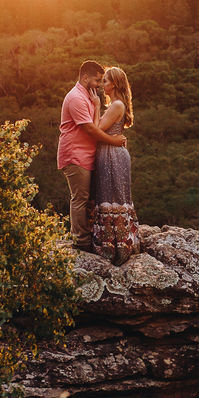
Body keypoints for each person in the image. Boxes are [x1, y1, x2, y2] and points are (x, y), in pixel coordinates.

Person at [57, 60, 126, 251]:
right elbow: (90, 129)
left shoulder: (88, 95)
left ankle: (93, 235)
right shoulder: (76, 98)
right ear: (85, 78)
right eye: (96, 81)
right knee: (80, 198)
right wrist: (114, 141)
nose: (99, 85)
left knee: (90, 199)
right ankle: (81, 241)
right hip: (75, 154)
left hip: (89, 155)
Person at [91, 66, 141, 265]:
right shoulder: (117, 105)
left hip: (112, 154)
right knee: (109, 195)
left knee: (113, 196)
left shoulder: (116, 105)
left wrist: (96, 106)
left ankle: (116, 247)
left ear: (114, 83)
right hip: (110, 152)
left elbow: (96, 129)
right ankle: (114, 244)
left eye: (105, 81)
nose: (102, 85)